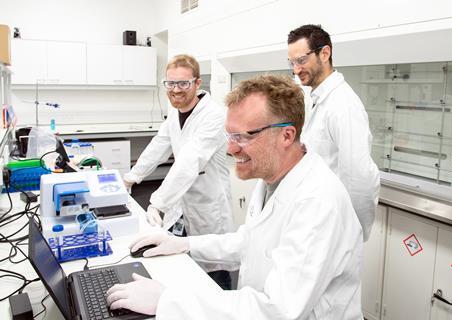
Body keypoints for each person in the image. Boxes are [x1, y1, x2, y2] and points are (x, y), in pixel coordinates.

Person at [107, 75, 363, 319]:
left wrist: (168, 302)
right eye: (229, 135)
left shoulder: (317, 201)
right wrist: (184, 245)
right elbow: (250, 242)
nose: (230, 148)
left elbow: (278, 310)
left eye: (243, 136)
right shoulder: (273, 180)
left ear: (287, 135)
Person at [123, 54, 234, 288]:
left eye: (183, 83)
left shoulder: (214, 115)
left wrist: (158, 203)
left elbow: (189, 161)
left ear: (197, 83)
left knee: (212, 274)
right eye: (170, 83)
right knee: (182, 268)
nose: (175, 89)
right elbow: (158, 146)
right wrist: (131, 177)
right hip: (182, 206)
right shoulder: (176, 113)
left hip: (208, 206)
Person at [287, 24, 380, 241]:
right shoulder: (316, 98)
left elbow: (359, 179)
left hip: (334, 227)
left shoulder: (344, 105)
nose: (296, 69)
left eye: (301, 60)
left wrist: (353, 233)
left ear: (325, 53)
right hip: (315, 218)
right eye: (292, 62)